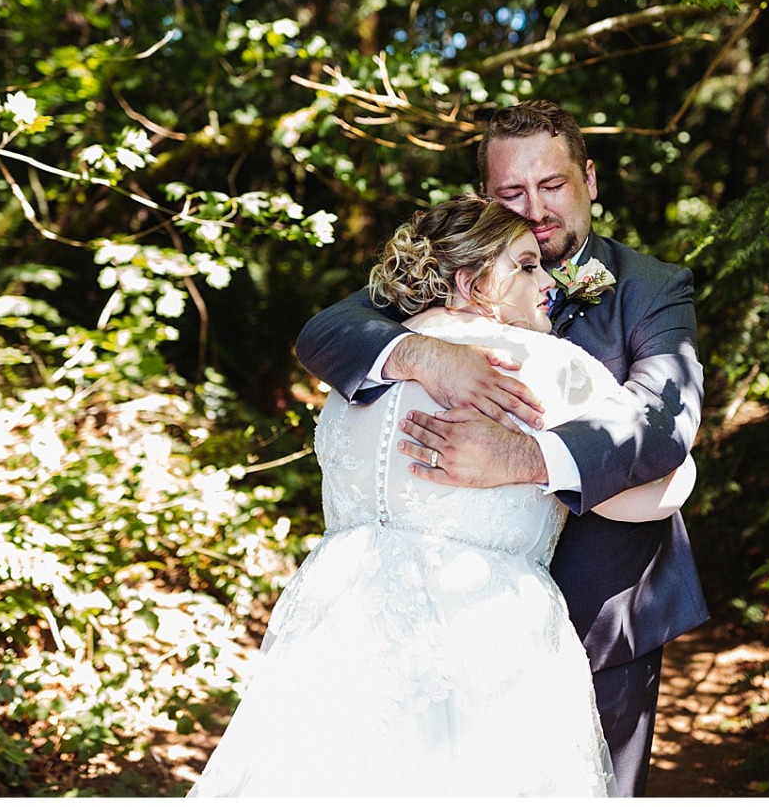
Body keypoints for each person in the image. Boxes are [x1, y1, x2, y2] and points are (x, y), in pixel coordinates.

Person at [192, 198, 694, 796]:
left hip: (340, 619)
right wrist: (565, 464)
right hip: (487, 634)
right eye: (528, 265)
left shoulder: (362, 366)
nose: (549, 281)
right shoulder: (539, 366)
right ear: (473, 280)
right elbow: (659, 487)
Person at [292, 100, 706, 794]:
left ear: (590, 180)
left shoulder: (652, 288)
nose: (536, 210)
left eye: (552, 186)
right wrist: (422, 353)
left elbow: (663, 424)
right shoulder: (443, 278)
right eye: (512, 193)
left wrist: (526, 458)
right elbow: (325, 332)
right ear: (488, 198)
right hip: (433, 622)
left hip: (607, 608)